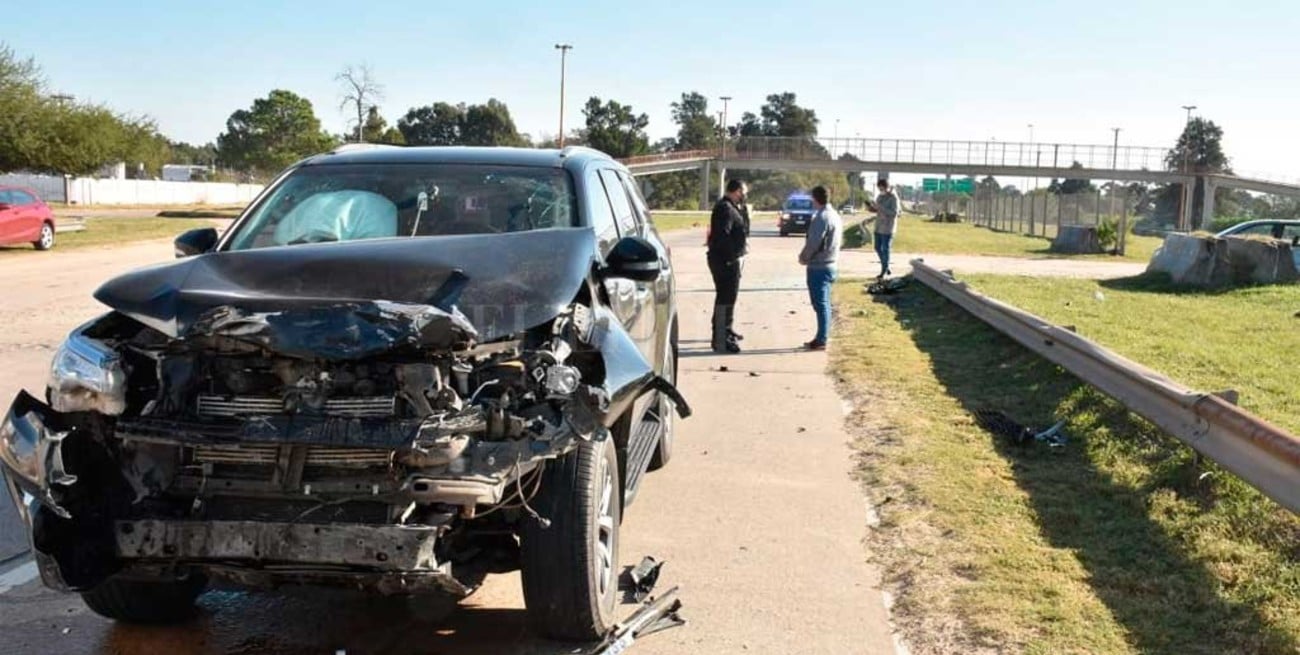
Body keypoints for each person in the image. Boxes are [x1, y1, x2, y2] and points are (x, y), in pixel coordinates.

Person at [798, 185, 842, 351]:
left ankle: (822, 338)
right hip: (831, 264)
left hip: (819, 266)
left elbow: (813, 243)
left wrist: (803, 258)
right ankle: (822, 335)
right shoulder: (835, 216)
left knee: (820, 304)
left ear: (814, 199)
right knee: (824, 303)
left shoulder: (821, 218)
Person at [707, 179, 749, 353]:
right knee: (725, 299)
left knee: (728, 298)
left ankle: (726, 330)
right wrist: (731, 257)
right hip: (724, 261)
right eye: (744, 192)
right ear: (737, 190)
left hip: (727, 260)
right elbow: (722, 236)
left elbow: (744, 228)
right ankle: (720, 340)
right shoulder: (725, 208)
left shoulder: (732, 207)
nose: (745, 196)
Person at [866, 179, 900, 279]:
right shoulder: (880, 196)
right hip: (878, 226)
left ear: (887, 187)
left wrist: (880, 207)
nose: (881, 190)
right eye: (879, 188)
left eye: (882, 188)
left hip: (888, 228)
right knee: (877, 248)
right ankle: (886, 265)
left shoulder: (893, 198)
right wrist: (870, 207)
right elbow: (876, 210)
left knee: (885, 249)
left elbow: (894, 213)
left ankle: (883, 270)